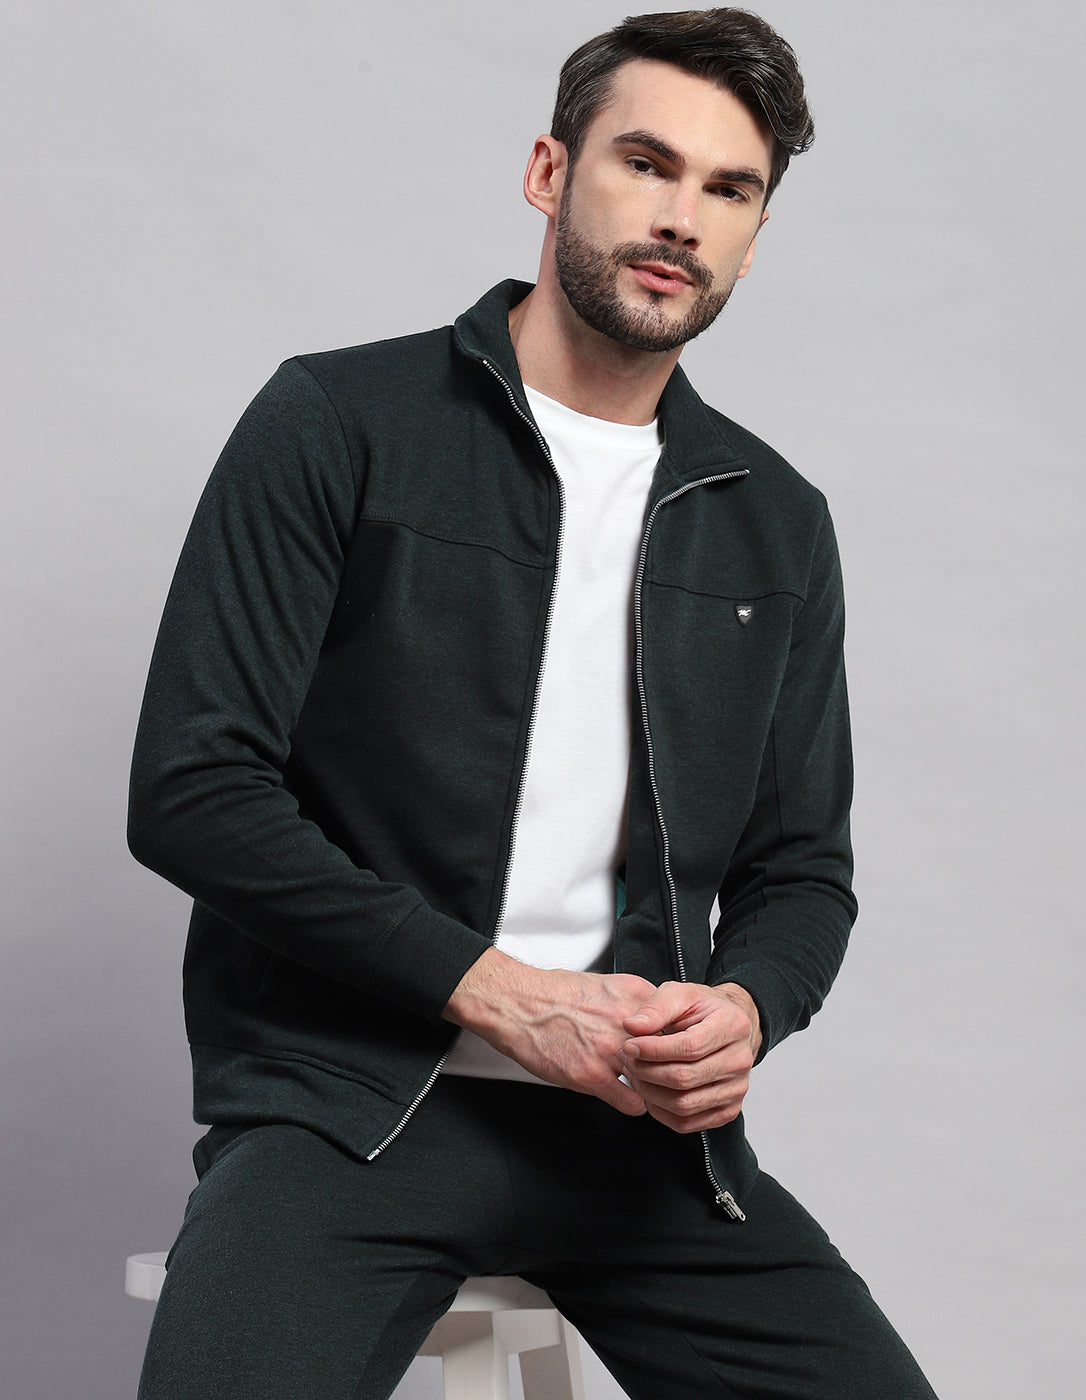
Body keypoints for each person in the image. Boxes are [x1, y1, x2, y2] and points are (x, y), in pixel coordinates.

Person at [128, 9, 938, 1398]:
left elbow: (804, 870)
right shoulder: (339, 423)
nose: (680, 217)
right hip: (352, 1113)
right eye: (645, 162)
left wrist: (746, 1010)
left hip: (641, 1148)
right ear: (549, 172)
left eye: (728, 189)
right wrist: (503, 997)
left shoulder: (776, 520)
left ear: (754, 236)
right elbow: (194, 791)